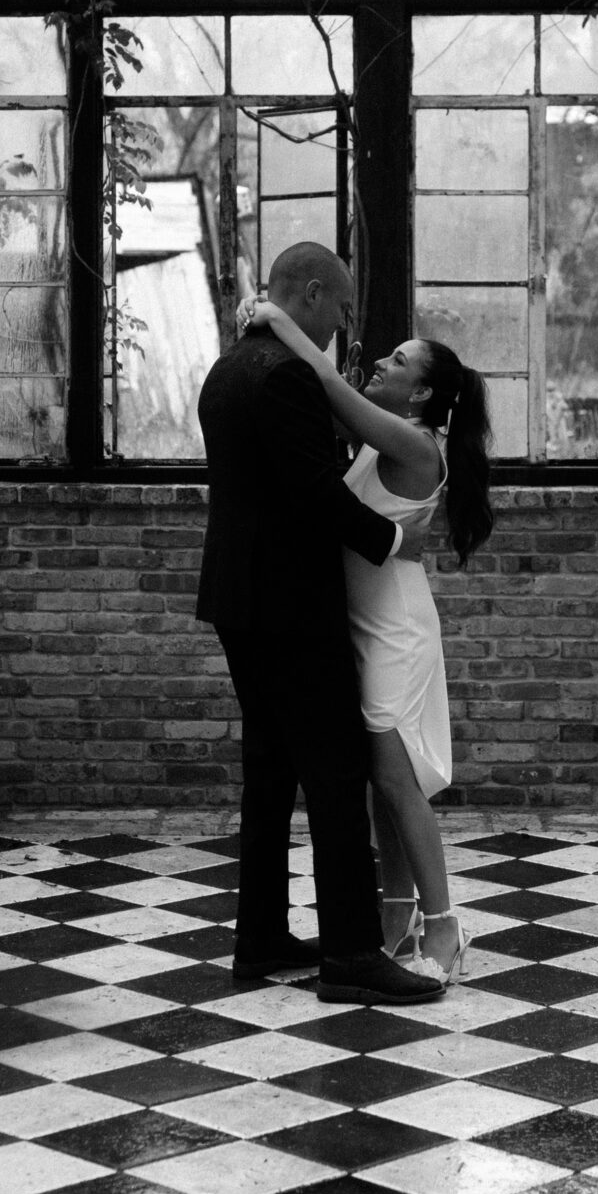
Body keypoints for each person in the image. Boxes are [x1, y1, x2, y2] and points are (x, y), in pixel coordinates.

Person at [195, 242, 444, 1006]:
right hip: (292, 605)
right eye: (340, 307)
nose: (343, 325)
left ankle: (261, 937)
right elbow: (317, 493)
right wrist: (393, 539)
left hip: (236, 598)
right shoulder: (288, 376)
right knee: (336, 774)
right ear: (309, 293)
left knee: (270, 772)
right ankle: (351, 954)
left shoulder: (227, 369)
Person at [245, 296, 495, 984]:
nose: (383, 361)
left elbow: (328, 385)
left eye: (399, 360)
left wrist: (274, 314)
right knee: (380, 786)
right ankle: (395, 915)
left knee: (394, 777)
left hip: (396, 629)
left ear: (421, 393)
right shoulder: (383, 437)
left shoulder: (415, 444)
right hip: (365, 623)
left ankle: (444, 925)